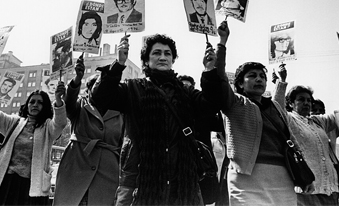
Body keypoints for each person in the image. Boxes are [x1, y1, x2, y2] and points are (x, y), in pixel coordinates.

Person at [92, 30, 224, 205]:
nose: (163, 57)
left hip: (183, 185)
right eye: (157, 53)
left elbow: (211, 105)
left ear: (173, 60)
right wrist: (119, 64)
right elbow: (99, 98)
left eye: (167, 54)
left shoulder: (185, 92)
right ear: (146, 60)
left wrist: (209, 70)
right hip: (138, 184)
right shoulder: (133, 88)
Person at [213, 21, 313, 205]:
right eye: (252, 75)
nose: (259, 79)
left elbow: (290, 138)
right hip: (246, 178)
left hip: (283, 177)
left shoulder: (275, 107)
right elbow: (217, 78)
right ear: (240, 83)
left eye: (262, 76)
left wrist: (304, 173)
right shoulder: (234, 104)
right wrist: (222, 42)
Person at [0, 76, 68, 206]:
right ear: (27, 104)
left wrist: (58, 99)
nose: (35, 105)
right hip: (7, 183)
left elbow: (61, 123)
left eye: (40, 102)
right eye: (32, 101)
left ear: (45, 106)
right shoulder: (14, 122)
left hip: (32, 187)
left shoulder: (48, 127)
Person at [53, 56, 124, 206]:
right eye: (95, 86)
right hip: (76, 167)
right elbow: (69, 103)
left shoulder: (121, 114)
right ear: (90, 90)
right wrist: (77, 79)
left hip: (107, 175)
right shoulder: (80, 107)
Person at [273, 66, 339, 206]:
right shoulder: (289, 119)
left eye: (309, 100)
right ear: (291, 103)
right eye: (301, 100)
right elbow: (276, 107)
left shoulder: (318, 121)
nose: (306, 103)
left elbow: (336, 116)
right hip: (306, 190)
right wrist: (282, 80)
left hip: (330, 189)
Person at [178, 74, 222, 205]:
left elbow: (219, 124)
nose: (186, 91)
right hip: (179, 166)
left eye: (189, 88)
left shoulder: (203, 112)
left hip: (202, 166)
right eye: (183, 87)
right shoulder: (171, 114)